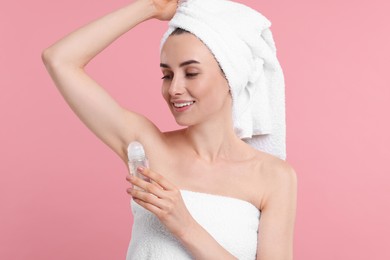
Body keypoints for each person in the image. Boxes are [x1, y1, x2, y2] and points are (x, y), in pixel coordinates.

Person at [41, 0, 297, 259]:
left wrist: (185, 226)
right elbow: (59, 59)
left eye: (192, 73)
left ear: (232, 77)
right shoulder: (146, 148)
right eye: (167, 75)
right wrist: (151, 7)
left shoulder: (273, 177)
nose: (174, 89)